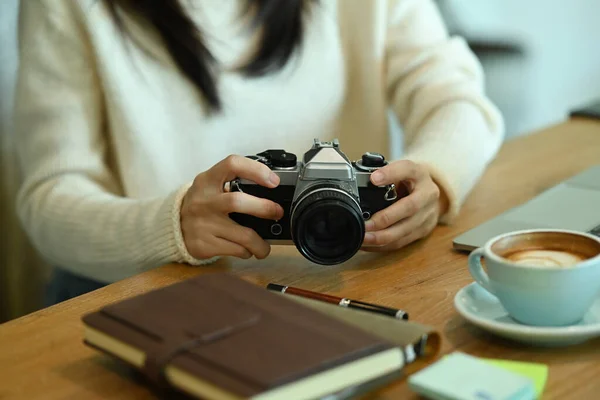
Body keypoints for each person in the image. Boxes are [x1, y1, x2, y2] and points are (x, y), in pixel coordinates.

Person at [14, 0, 504, 305]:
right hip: (146, 290)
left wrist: (435, 179)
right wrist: (171, 226)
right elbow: (49, 199)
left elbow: (455, 97)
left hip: (339, 285)